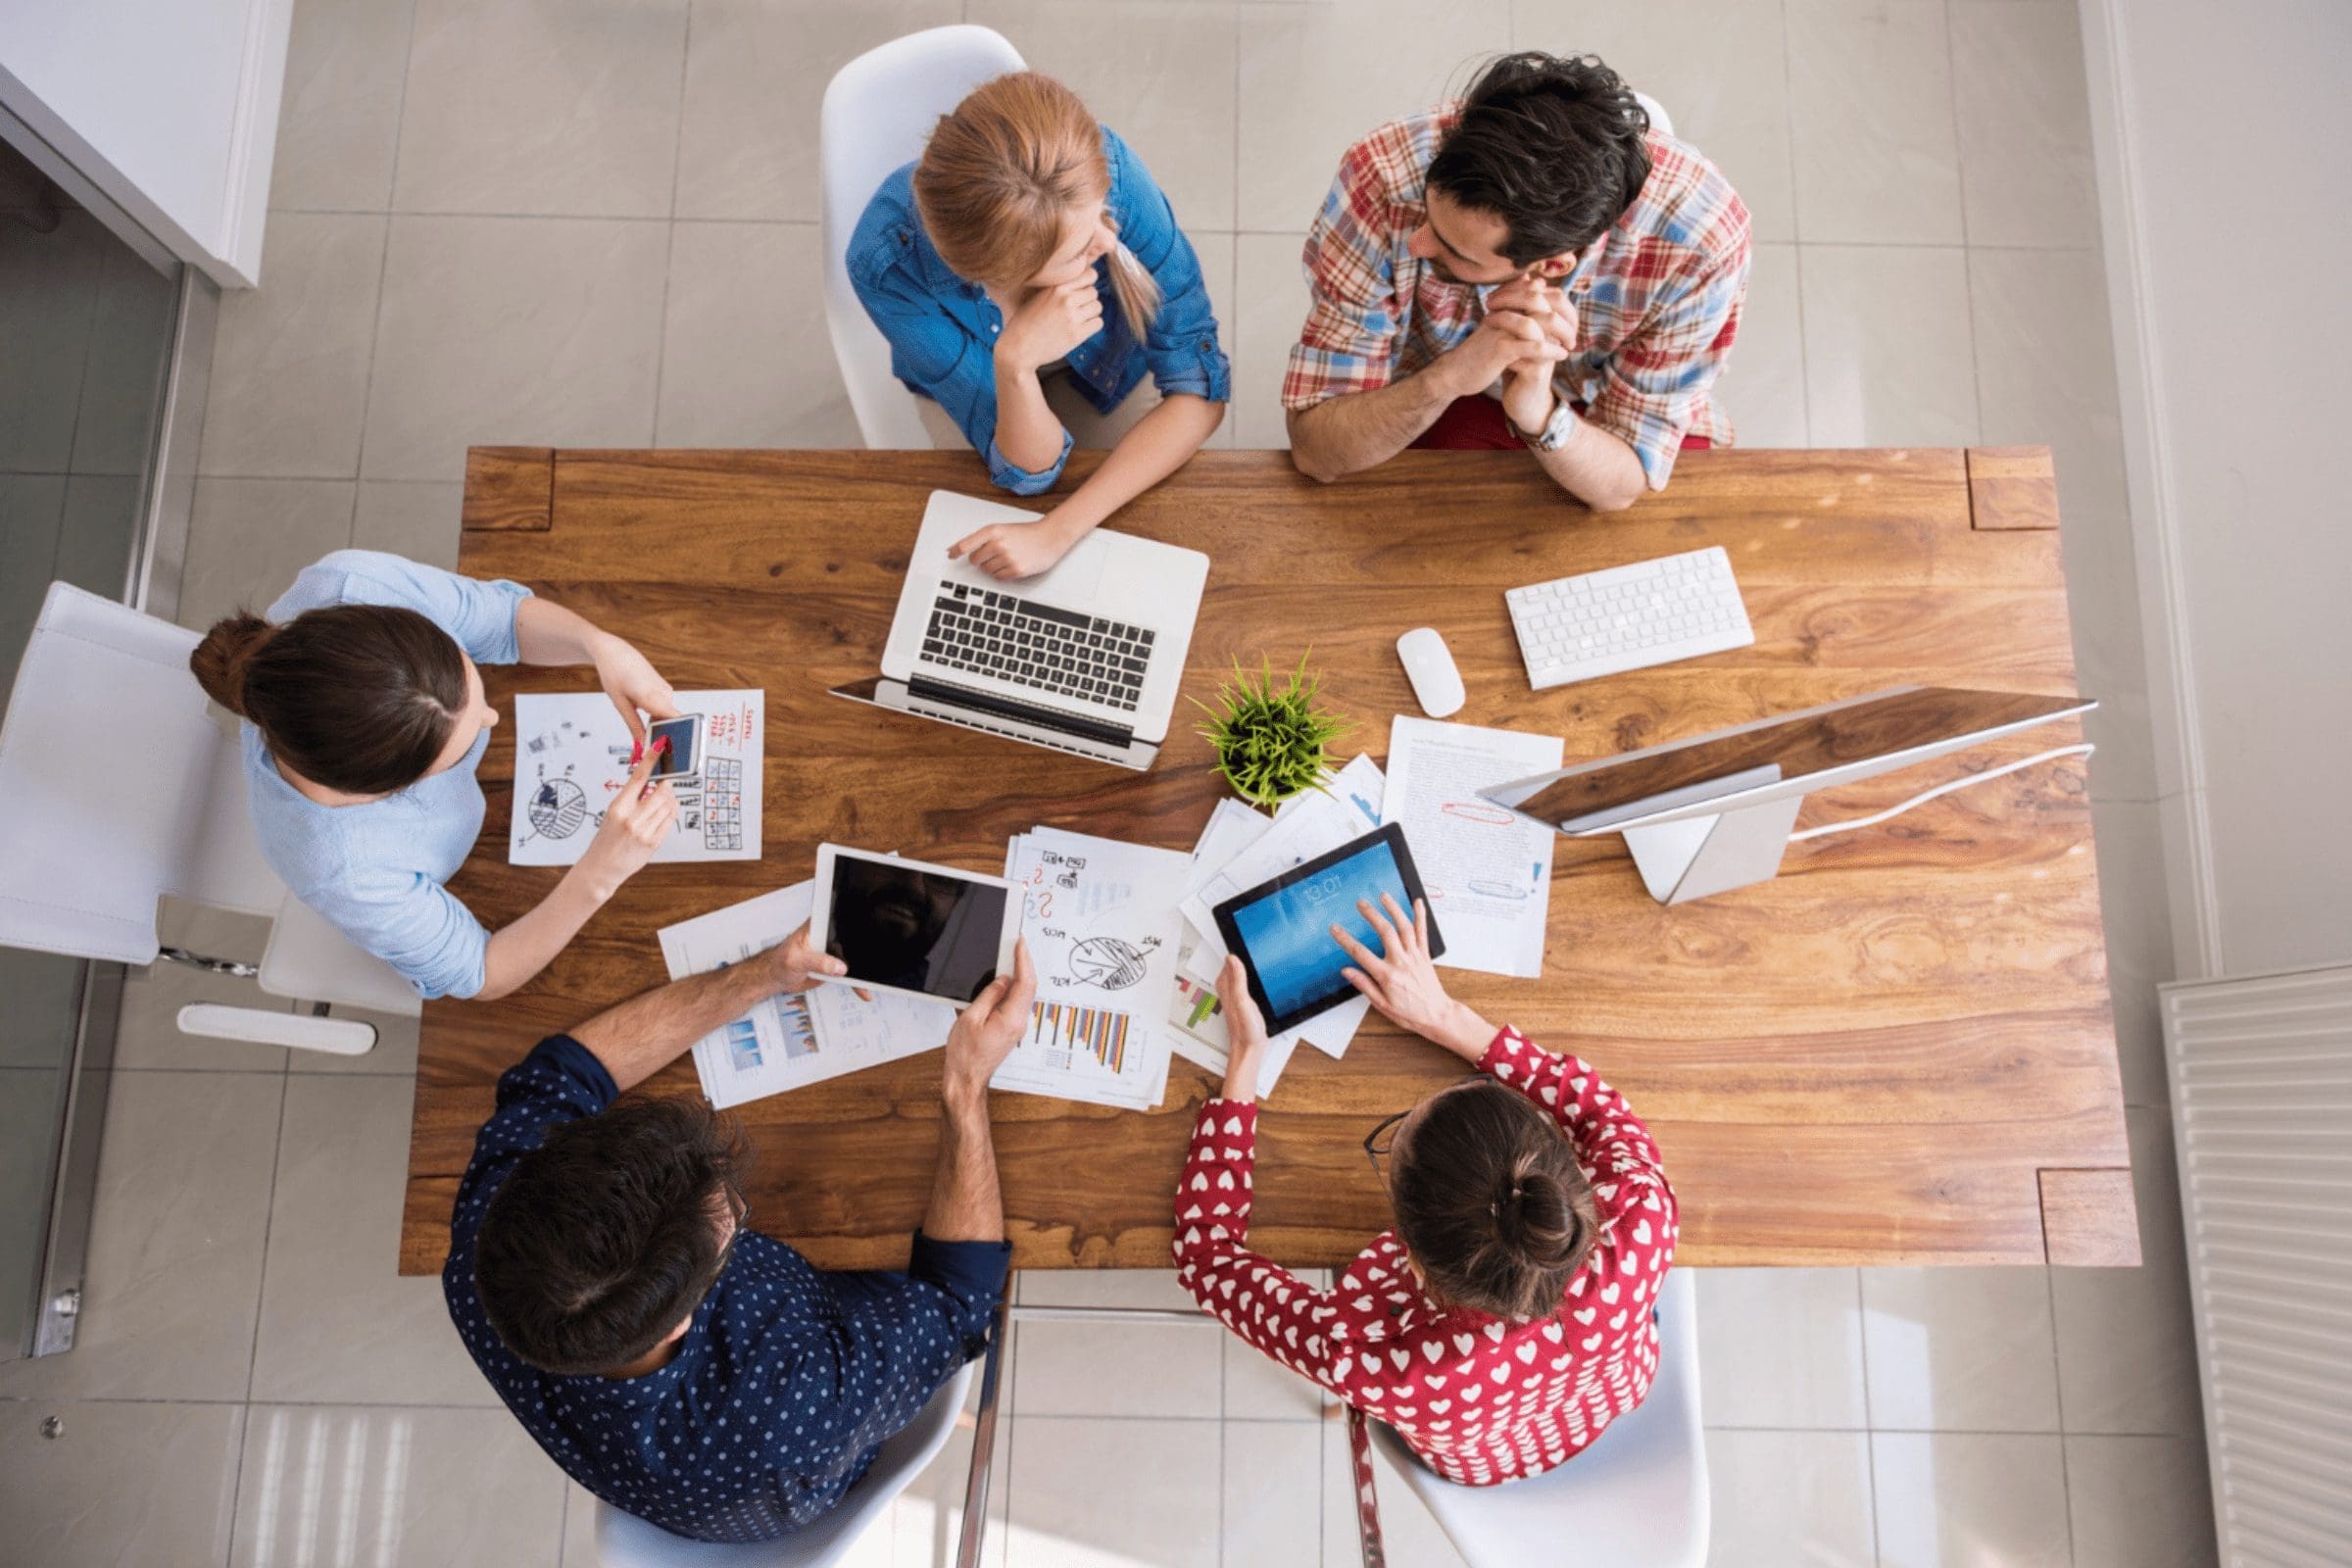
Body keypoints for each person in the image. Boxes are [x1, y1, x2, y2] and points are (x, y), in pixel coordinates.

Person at [445, 923, 1035, 1543]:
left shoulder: (489, 1251)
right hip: (795, 1454)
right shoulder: (794, 1401)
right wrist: (966, 1085)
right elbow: (959, 1303)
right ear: (681, 1322)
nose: (732, 1198)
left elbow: (559, 1075)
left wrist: (760, 975)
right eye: (729, 1218)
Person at [1172, 894, 1677, 1511]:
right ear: (1559, 1166)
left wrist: (1246, 1057)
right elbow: (1600, 1112)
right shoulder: (1642, 1212)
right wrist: (1445, 1017)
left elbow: (1206, 1259)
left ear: (1406, 1256)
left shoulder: (1375, 1360)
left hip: (1482, 1463)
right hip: (1611, 1395)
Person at [189, 549, 680, 1001]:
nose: (491, 718)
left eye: (469, 679)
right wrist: (599, 874)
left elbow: (503, 619)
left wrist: (599, 645)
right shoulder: (344, 868)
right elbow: (482, 971)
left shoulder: (353, 582)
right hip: (472, 875)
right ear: (393, 791)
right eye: (457, 748)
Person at [1282, 52, 1751, 512]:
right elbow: (1315, 451)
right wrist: (1448, 378)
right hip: (1432, 389)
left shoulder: (1703, 242)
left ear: (1551, 266)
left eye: (1455, 250)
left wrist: (1538, 412)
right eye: (1428, 214)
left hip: (1602, 403)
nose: (1417, 244)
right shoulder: (1379, 177)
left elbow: (1622, 485)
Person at [849, 72, 1229, 580]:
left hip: (1112, 361)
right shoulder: (887, 265)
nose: (1107, 243)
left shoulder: (1098, 169)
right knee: (988, 527)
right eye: (1077, 252)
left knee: (1144, 538)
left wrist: (1057, 531)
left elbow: (1198, 392)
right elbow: (1026, 473)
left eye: (1100, 216)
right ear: (1004, 276)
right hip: (987, 381)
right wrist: (1016, 363)